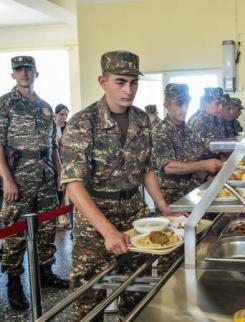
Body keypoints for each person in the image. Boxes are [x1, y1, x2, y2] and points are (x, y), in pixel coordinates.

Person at [61, 50, 171, 321]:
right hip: (96, 219)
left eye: (133, 82)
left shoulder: (142, 120)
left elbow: (147, 169)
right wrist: (109, 232)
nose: (128, 90)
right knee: (90, 297)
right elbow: (73, 185)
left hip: (135, 214)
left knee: (137, 290)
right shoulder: (83, 122)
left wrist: (165, 210)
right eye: (120, 82)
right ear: (103, 81)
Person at [0, 56, 69, 310]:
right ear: (13, 75)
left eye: (28, 69)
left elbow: (52, 145)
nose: (24, 73)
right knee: (15, 232)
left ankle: (45, 273)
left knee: (47, 227)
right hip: (18, 176)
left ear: (36, 73)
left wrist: (60, 172)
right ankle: (14, 283)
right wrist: (7, 179)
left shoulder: (45, 106)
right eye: (19, 69)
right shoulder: (5, 104)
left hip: (45, 175)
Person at [152, 83, 223, 204]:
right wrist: (204, 164)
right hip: (173, 198)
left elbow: (192, 161)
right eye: (179, 104)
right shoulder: (160, 131)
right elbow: (169, 167)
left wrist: (209, 179)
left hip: (193, 194)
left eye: (187, 103)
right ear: (166, 105)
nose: (184, 109)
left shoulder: (188, 130)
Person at [188, 87, 225, 160]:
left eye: (222, 104)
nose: (221, 107)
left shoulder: (212, 118)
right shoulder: (200, 120)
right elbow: (194, 152)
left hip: (212, 161)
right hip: (202, 166)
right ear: (206, 104)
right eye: (217, 104)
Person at [55, 103, 70, 230]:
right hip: (54, 164)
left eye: (66, 114)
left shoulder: (69, 127)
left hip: (66, 163)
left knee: (65, 193)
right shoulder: (51, 127)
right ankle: (57, 218)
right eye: (61, 114)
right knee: (57, 192)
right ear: (56, 114)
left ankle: (65, 220)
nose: (64, 117)